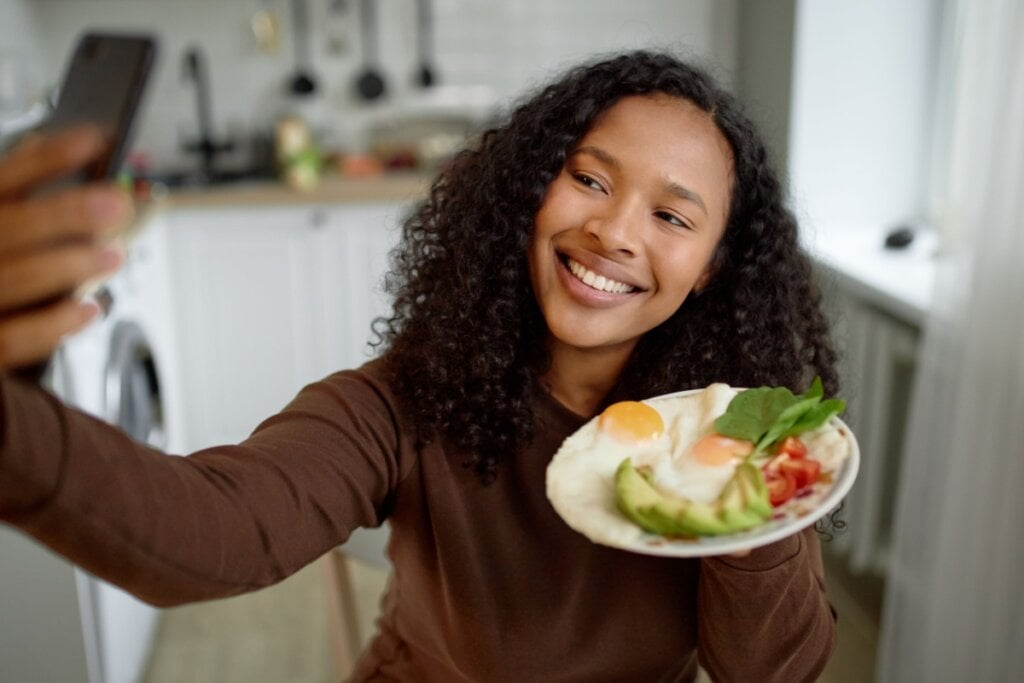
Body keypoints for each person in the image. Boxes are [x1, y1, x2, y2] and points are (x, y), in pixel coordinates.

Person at [0, 51, 838, 682]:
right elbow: (210, 531)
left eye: (670, 215)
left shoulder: (736, 443)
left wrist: (744, 519)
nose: (615, 232)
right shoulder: (406, 401)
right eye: (588, 177)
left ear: (714, 269)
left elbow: (773, 672)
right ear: (529, 192)